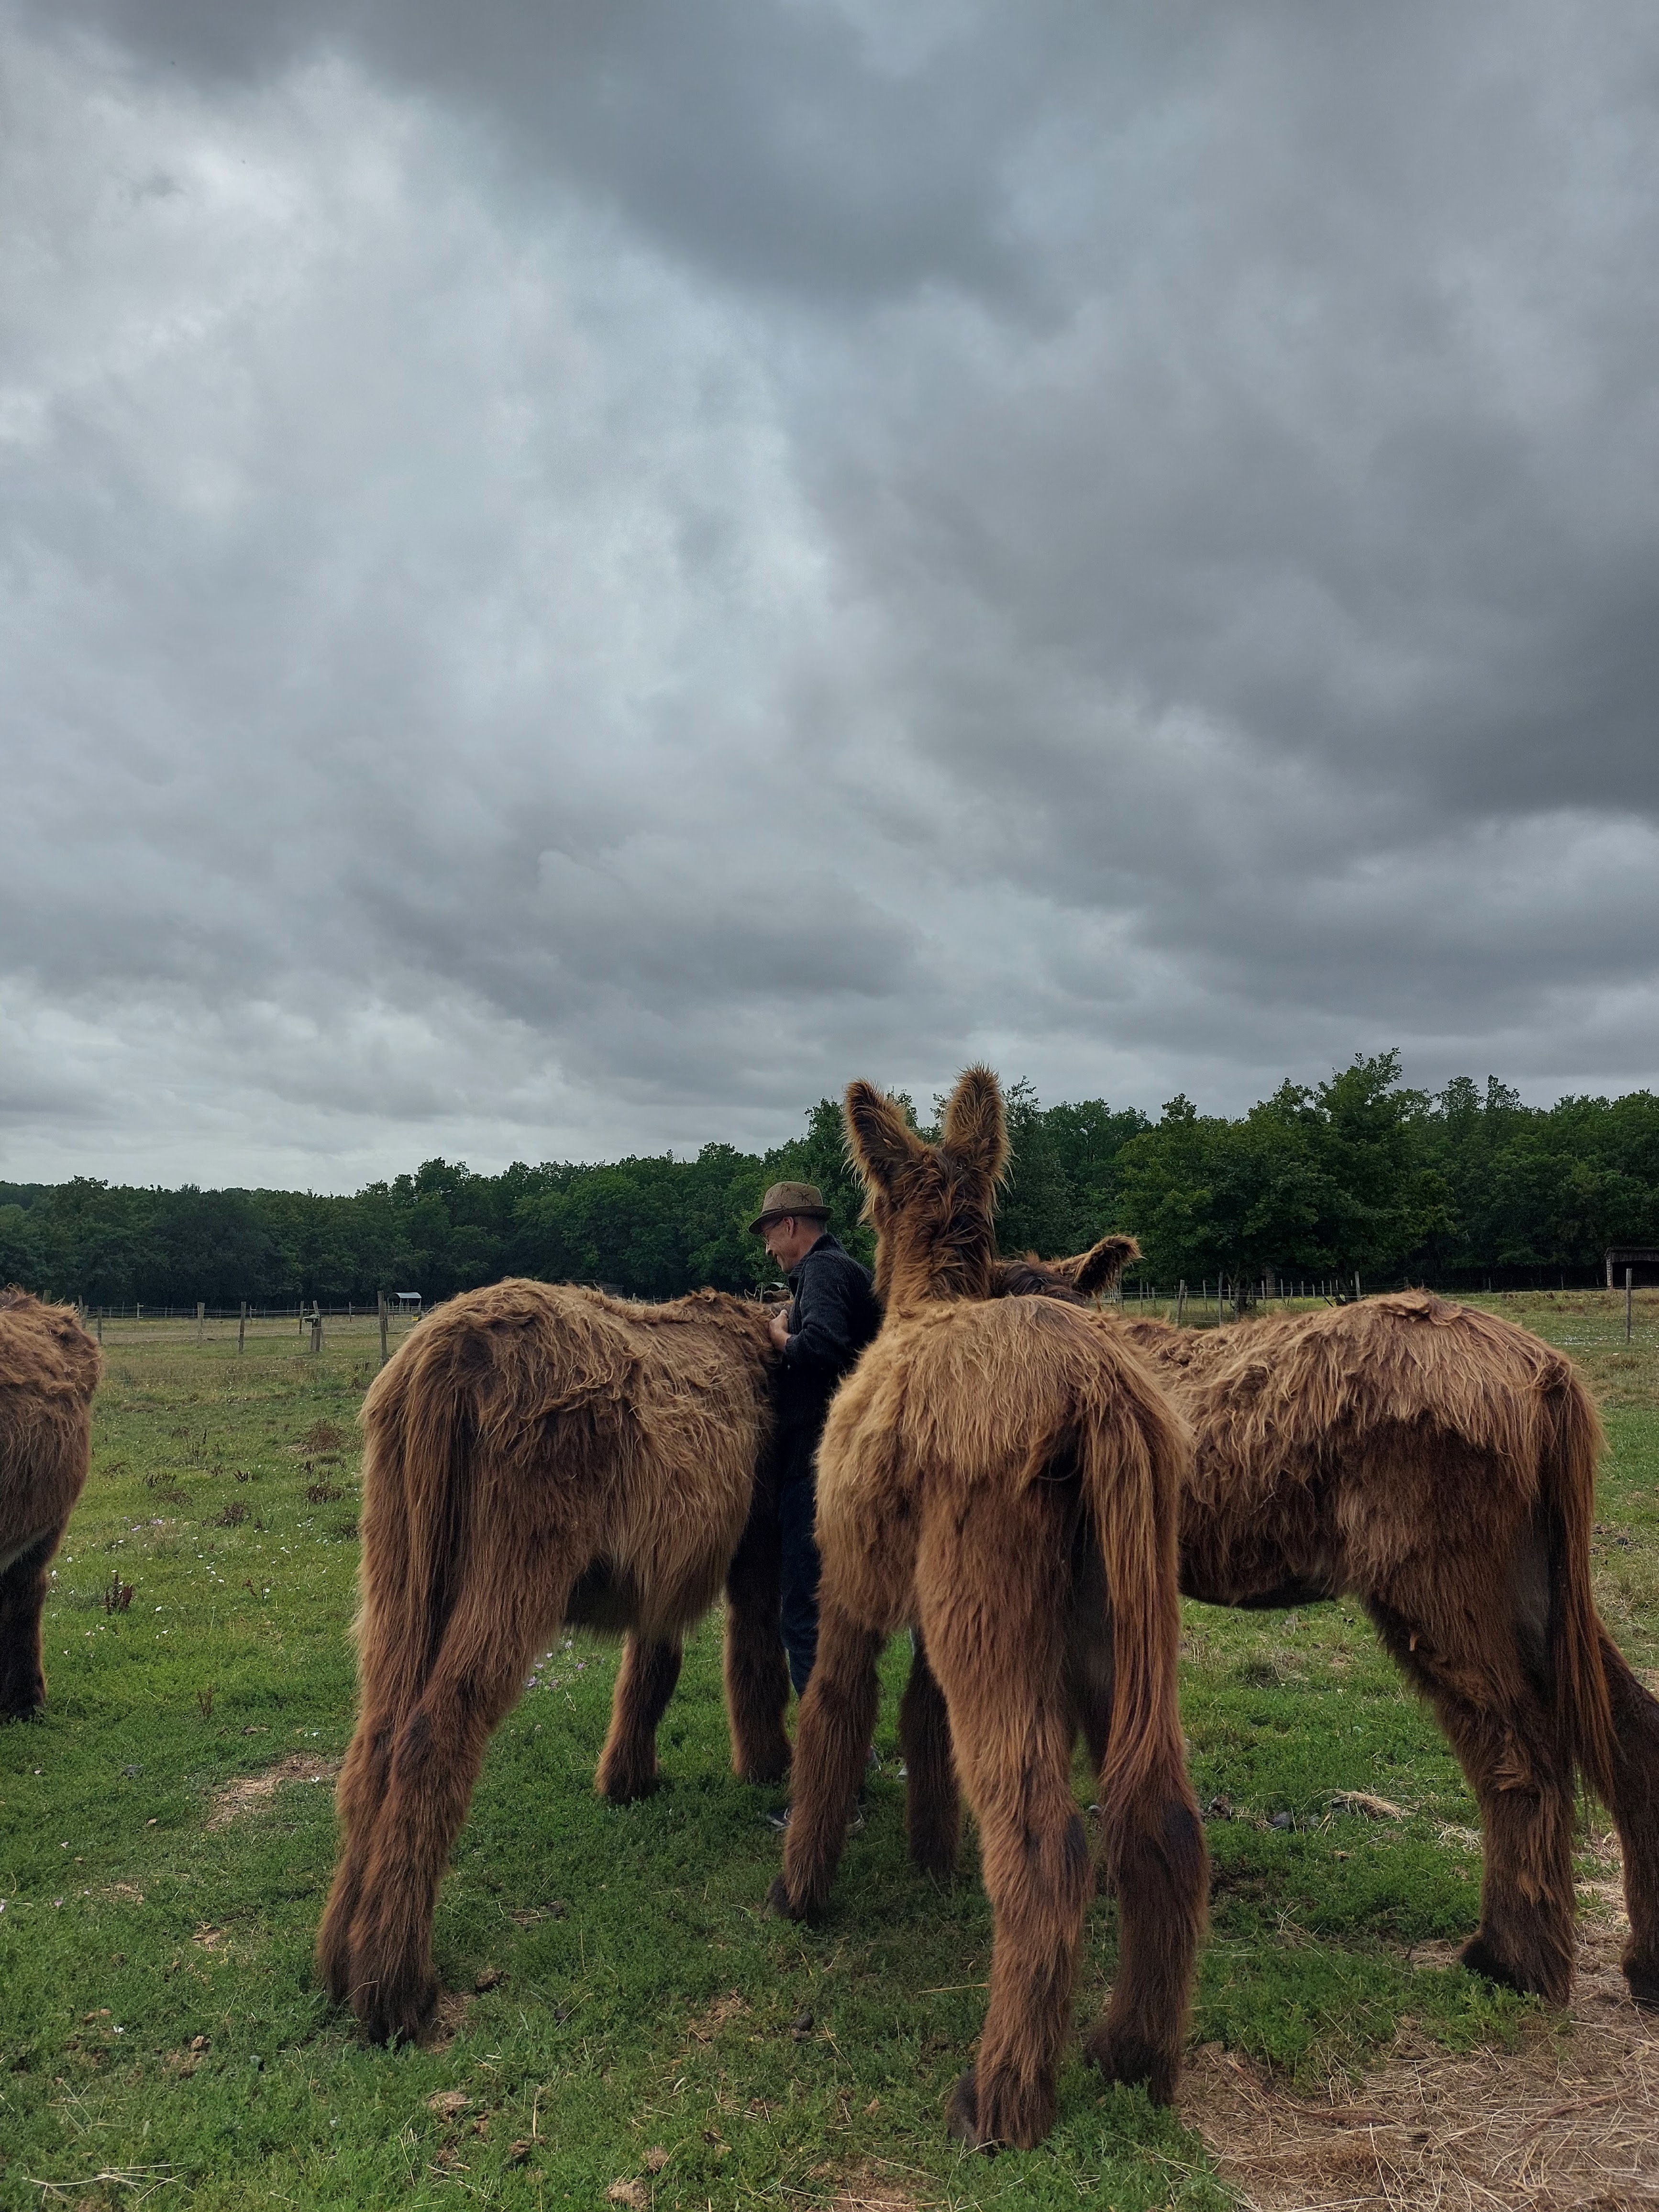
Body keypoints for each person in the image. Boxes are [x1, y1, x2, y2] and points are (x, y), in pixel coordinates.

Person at [748, 1181, 882, 1697]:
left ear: (789, 1226)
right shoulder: (844, 1271)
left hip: (816, 1464)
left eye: (769, 1233)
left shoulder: (823, 1271)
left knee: (803, 1615)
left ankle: (833, 1747)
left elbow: (824, 1346)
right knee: (833, 1611)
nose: (767, 1247)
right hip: (842, 1460)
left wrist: (780, 1338)